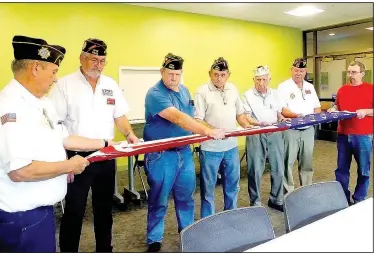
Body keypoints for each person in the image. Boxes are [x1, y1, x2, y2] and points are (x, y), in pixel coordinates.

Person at [0, 35, 118, 252]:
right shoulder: (12, 107)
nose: (55, 79)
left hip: (40, 213)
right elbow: (19, 171)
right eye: (53, 72)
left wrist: (105, 142)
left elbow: (64, 137)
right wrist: (68, 166)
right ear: (36, 68)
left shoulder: (41, 103)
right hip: (23, 217)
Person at [48, 38, 139, 252]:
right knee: (74, 210)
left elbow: (120, 116)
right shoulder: (65, 85)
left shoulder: (110, 85)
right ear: (81, 58)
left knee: (104, 209)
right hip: (77, 157)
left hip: (106, 155)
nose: (98, 65)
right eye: (93, 59)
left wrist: (129, 133)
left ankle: (104, 249)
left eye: (102, 61)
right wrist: (64, 161)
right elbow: (56, 126)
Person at [143, 53, 225, 252]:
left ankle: (187, 231)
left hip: (184, 153)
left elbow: (192, 117)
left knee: (186, 196)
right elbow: (178, 118)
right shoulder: (155, 93)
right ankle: (154, 239)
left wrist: (210, 127)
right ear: (162, 72)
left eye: (177, 74)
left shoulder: (184, 90)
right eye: (170, 73)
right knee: (159, 199)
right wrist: (207, 131)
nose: (173, 78)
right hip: (161, 155)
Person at [194, 57, 254, 219]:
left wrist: (246, 124)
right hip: (210, 149)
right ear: (210, 74)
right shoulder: (202, 91)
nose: (219, 78)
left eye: (222, 75)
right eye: (215, 75)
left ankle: (231, 216)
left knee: (232, 186)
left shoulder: (232, 89)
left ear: (228, 75)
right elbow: (197, 119)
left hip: (231, 148)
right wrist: (214, 131)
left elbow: (239, 113)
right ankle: (208, 220)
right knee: (208, 189)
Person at [242, 65, 290, 212]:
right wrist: (259, 123)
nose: (261, 83)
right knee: (255, 169)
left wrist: (281, 118)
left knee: (278, 168)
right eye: (258, 80)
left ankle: (276, 199)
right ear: (253, 79)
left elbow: (278, 112)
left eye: (264, 80)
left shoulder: (276, 93)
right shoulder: (247, 95)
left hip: (274, 132)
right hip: (256, 133)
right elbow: (246, 117)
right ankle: (255, 202)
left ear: (269, 79)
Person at [328, 60, 373, 205]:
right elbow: (337, 106)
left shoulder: (370, 89)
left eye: (354, 72)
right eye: (348, 72)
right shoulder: (342, 89)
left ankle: (359, 198)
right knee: (341, 170)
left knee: (364, 170)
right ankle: (343, 198)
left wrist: (366, 111)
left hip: (363, 135)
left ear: (362, 74)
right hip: (343, 135)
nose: (350, 75)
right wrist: (333, 110)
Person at [277, 58, 321, 194]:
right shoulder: (283, 87)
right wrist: (296, 116)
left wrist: (314, 118)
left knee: (307, 162)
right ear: (291, 70)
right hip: (291, 130)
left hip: (308, 130)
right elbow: (282, 109)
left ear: (305, 71)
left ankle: (306, 191)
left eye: (301, 71)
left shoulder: (309, 87)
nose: (298, 73)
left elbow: (317, 107)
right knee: (287, 163)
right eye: (296, 70)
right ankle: (288, 193)